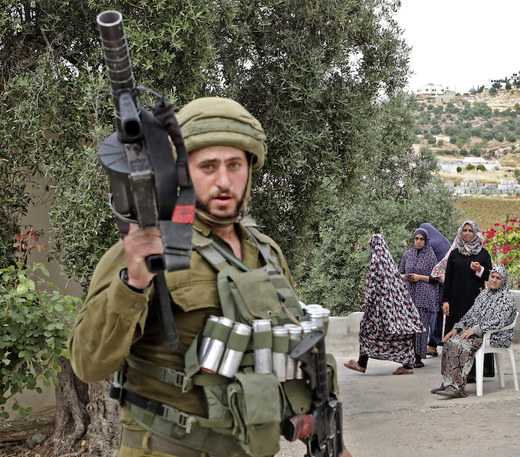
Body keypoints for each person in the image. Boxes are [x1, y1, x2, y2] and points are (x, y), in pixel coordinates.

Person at [68, 97, 352, 457]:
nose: (223, 180)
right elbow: (88, 364)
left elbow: (296, 352)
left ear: (249, 168)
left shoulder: (265, 251)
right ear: (182, 172)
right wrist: (134, 281)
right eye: (208, 166)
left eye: (234, 165)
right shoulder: (146, 250)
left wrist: (333, 442)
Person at [431, 265, 516, 398]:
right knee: (449, 341)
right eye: (492, 276)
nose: (493, 280)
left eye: (498, 278)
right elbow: (471, 314)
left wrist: (475, 330)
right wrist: (457, 328)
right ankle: (449, 382)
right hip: (480, 332)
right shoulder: (484, 295)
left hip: (495, 335)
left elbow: (500, 321)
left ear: (503, 281)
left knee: (461, 344)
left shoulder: (506, 298)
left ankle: (457, 387)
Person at [344, 234, 423, 375]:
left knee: (366, 330)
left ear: (372, 245)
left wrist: (366, 304)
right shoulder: (389, 260)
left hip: (379, 309)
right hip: (396, 308)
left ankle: (362, 364)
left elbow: (372, 286)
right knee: (400, 335)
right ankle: (407, 365)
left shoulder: (375, 261)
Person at [438, 220, 495, 378]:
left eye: (470, 230)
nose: (467, 233)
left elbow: (492, 277)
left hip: (475, 302)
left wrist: (480, 269)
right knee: (454, 335)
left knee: (472, 336)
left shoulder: (483, 253)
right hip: (456, 302)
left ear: (476, 233)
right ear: (460, 233)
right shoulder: (455, 254)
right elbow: (448, 279)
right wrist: (445, 301)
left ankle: (474, 373)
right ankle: (453, 373)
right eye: (465, 230)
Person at [398, 227, 440, 368]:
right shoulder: (407, 255)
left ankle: (418, 358)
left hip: (424, 297)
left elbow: (435, 278)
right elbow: (399, 274)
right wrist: (406, 277)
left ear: (426, 241)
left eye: (421, 239)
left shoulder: (431, 257)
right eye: (416, 238)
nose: (418, 241)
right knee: (408, 328)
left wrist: (419, 277)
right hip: (409, 297)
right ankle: (407, 357)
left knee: (421, 328)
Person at [419, 223, 451, 357]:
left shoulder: (431, 243)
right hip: (448, 278)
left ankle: (433, 344)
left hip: (443, 278)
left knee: (436, 311)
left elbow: (424, 261)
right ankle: (433, 344)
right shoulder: (442, 240)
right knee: (440, 312)